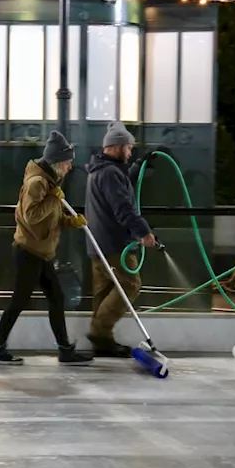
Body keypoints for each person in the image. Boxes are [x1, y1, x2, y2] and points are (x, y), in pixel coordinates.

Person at [0, 131, 94, 366]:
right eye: (67, 163)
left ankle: (65, 349)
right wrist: (53, 199)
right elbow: (31, 216)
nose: (69, 168)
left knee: (56, 298)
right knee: (19, 301)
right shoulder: (37, 183)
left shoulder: (49, 183)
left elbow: (50, 218)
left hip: (40, 252)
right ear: (57, 163)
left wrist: (70, 222)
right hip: (29, 253)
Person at [84, 122, 156, 357]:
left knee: (104, 292)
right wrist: (144, 233)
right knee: (129, 285)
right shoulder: (110, 174)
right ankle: (98, 332)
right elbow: (123, 208)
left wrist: (136, 167)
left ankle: (102, 344)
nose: (131, 151)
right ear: (115, 147)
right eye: (128, 147)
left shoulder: (100, 171)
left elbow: (119, 191)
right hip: (114, 244)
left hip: (98, 243)